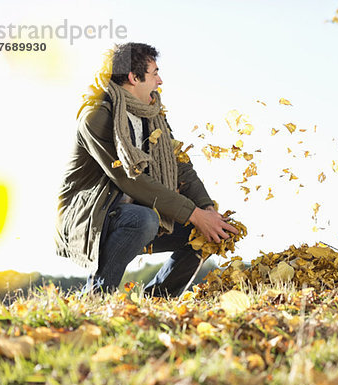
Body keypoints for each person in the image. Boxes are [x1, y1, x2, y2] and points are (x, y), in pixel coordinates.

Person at [55, 42, 238, 295]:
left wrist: (206, 209)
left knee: (209, 233)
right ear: (133, 77)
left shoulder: (152, 114)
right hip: (91, 218)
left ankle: (159, 300)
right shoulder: (96, 116)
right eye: (154, 73)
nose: (160, 81)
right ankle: (96, 296)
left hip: (135, 212)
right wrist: (193, 213)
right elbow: (130, 179)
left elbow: (180, 165)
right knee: (145, 219)